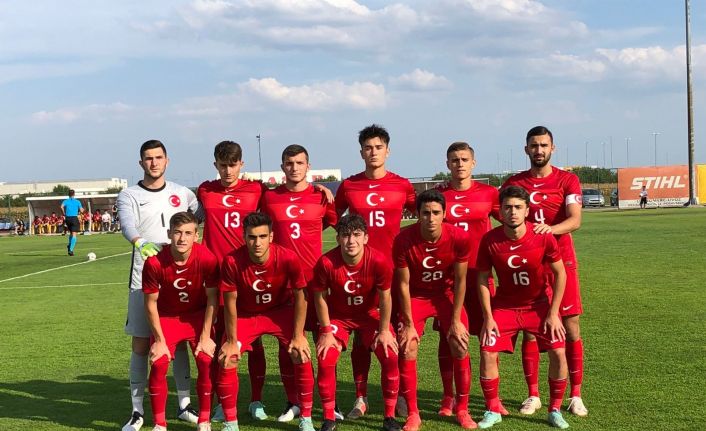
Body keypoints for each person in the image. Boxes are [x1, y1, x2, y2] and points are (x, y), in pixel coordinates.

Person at [502, 126, 587, 417]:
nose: (539, 150)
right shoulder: (514, 182)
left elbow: (575, 220)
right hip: (529, 265)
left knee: (571, 326)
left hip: (562, 262)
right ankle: (533, 395)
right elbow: (499, 210)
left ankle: (575, 395)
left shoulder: (567, 180)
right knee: (530, 329)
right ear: (526, 149)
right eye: (534, 145)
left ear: (553, 148)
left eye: (544, 145)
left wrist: (547, 230)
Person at [117, 140, 201, 431]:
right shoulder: (129, 194)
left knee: (178, 343)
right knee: (141, 343)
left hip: (179, 279)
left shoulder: (183, 193)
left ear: (167, 160)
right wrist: (140, 242)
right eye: (148, 158)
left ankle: (184, 405)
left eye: (158, 157)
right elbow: (127, 224)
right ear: (141, 163)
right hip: (143, 277)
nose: (154, 162)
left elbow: (201, 213)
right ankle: (137, 411)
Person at [334, 124, 416, 419]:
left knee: (398, 335)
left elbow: (425, 215)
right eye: (368, 148)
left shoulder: (402, 185)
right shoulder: (349, 185)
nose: (373, 152)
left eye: (378, 147)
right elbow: (332, 216)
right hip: (360, 273)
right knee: (360, 336)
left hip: (394, 273)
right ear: (361, 153)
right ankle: (361, 397)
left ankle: (402, 395)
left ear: (387, 151)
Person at [475, 185, 570, 430]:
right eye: (507, 207)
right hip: (505, 307)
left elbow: (560, 274)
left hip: (539, 306)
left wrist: (554, 313)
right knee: (487, 351)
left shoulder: (543, 236)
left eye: (518, 207)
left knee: (559, 352)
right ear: (501, 211)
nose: (513, 212)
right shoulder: (490, 240)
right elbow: (482, 278)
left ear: (527, 210)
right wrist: (488, 316)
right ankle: (492, 409)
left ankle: (555, 410)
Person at [260, 144, 338, 422]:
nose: (294, 168)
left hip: (316, 282)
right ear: (282, 167)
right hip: (282, 283)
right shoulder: (270, 198)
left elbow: (336, 225)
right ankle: (293, 401)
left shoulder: (321, 197)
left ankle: (329, 402)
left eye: (299, 163)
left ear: (308, 166)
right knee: (288, 343)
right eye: (289, 163)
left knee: (324, 342)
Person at [217, 212, 315, 431]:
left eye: (262, 236)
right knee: (228, 357)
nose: (257, 243)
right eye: (252, 237)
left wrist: (298, 335)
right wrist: (231, 341)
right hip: (247, 314)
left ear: (271, 236)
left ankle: (306, 418)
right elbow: (230, 303)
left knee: (300, 352)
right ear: (244, 237)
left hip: (279, 312)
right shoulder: (232, 261)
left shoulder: (288, 257)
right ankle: (231, 423)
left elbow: (301, 297)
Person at [311, 214, 401, 431]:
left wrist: (384, 330)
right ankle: (329, 418)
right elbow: (320, 297)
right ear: (338, 238)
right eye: (345, 235)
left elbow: (386, 298)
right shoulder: (326, 262)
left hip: (369, 314)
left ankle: (389, 417)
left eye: (357, 235)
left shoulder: (378, 261)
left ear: (366, 238)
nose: (351, 241)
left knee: (389, 353)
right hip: (339, 316)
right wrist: (326, 331)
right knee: (325, 356)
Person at [394, 189, 475, 431]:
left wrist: (456, 320)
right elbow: (403, 284)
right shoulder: (403, 239)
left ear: (444, 214)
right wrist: (409, 324)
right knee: (408, 346)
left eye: (436, 213)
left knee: (459, 343)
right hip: (417, 297)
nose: (431, 218)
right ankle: (413, 413)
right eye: (426, 213)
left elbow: (460, 280)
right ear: (417, 214)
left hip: (445, 295)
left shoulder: (459, 237)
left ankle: (462, 409)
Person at [435, 142, 503, 416]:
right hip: (448, 280)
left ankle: (492, 399)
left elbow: (511, 221)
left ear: (473, 163)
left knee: (488, 335)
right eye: (454, 160)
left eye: (464, 159)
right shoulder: (439, 196)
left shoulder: (489, 193)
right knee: (448, 337)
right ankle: (448, 397)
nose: (460, 164)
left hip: (481, 276)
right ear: (447, 164)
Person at [142, 212, 219, 431]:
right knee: (158, 362)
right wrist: (159, 340)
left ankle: (204, 420)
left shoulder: (207, 258)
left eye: (188, 233)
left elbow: (213, 298)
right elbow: (150, 304)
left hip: (197, 316)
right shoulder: (155, 262)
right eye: (177, 233)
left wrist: (206, 336)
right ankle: (160, 424)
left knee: (206, 359)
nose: (182, 238)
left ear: (196, 235)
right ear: (169, 234)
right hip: (167, 317)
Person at [60, 190, 83, 255]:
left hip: (67, 218)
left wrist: (63, 213)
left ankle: (69, 245)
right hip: (74, 218)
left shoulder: (66, 201)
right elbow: (81, 210)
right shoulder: (77, 201)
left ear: (68, 194)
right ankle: (71, 249)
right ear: (74, 194)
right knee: (74, 234)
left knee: (71, 233)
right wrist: (82, 210)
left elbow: (61, 207)